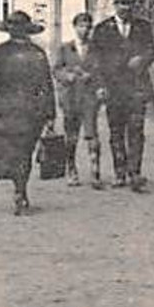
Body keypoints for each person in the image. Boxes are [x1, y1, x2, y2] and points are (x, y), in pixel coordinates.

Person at [0, 10, 56, 215]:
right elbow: (47, 85)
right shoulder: (38, 53)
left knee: (9, 149)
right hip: (31, 110)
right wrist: (50, 114)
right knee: (26, 151)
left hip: (5, 108)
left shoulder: (2, 52)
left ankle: (17, 187)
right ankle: (21, 191)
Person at [90, 0, 154, 192]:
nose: (125, 8)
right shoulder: (102, 29)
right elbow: (95, 60)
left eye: (129, 4)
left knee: (137, 130)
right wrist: (100, 86)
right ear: (115, 6)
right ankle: (120, 173)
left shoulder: (143, 27)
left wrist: (143, 59)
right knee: (116, 131)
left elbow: (153, 50)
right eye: (121, 4)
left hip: (137, 87)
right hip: (113, 88)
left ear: (133, 7)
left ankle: (135, 172)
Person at [52, 11, 105, 189]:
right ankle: (71, 169)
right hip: (71, 97)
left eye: (88, 27)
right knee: (71, 136)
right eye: (81, 26)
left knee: (92, 135)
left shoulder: (97, 49)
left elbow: (102, 73)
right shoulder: (65, 48)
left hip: (89, 97)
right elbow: (57, 70)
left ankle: (95, 171)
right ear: (75, 27)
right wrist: (68, 76)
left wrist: (98, 85)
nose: (85, 30)